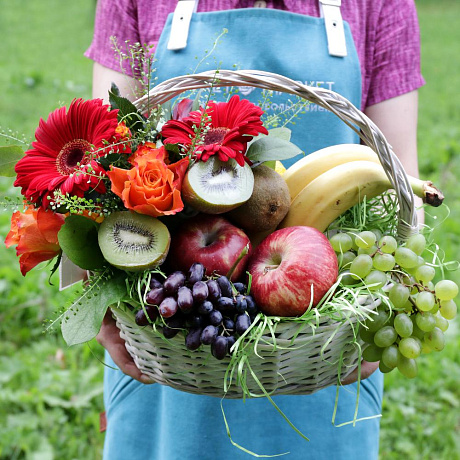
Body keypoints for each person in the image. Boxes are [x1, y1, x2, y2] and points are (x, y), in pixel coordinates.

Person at [86, 1, 425, 458]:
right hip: (171, 335)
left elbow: (397, 170)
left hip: (322, 347)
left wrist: (378, 307)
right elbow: (101, 162)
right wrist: (99, 304)